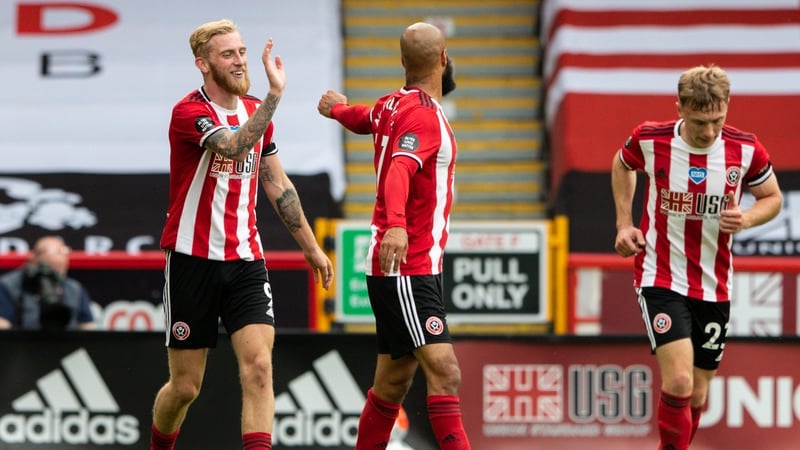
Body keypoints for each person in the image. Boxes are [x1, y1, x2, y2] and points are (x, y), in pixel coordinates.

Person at [149, 19, 333, 450]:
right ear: (203, 63)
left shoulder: (257, 111)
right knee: (185, 388)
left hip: (246, 260)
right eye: (228, 54)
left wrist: (312, 248)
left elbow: (277, 184)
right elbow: (232, 146)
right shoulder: (189, 113)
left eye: (243, 52)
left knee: (259, 368)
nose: (240, 61)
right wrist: (274, 96)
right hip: (192, 261)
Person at [611, 65, 782, 450]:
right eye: (700, 121)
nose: (708, 131)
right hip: (660, 275)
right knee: (681, 382)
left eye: (717, 120)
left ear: (727, 107)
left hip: (714, 284)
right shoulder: (650, 138)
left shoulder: (746, 148)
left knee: (699, 394)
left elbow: (773, 198)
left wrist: (747, 217)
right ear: (680, 108)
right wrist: (624, 223)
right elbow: (623, 164)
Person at [318, 22, 470, 450]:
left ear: (402, 62)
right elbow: (401, 168)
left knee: (393, 382)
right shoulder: (423, 115)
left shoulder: (392, 104)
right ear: (443, 59)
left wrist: (336, 108)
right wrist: (398, 225)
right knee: (445, 371)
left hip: (406, 267)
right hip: (409, 266)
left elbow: (363, 118)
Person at [0, 236, 95, 331]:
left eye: (60, 270)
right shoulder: (9, 285)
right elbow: (2, 324)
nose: (56, 276)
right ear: (34, 259)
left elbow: (87, 326)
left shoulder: (74, 289)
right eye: (52, 268)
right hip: (22, 342)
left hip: (66, 343)